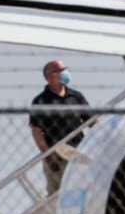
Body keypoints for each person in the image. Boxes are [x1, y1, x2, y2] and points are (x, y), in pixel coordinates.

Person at [29, 60, 91, 195]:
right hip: (55, 152)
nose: (64, 73)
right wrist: (47, 154)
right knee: (56, 193)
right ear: (48, 77)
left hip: (78, 150)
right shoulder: (40, 101)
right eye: (59, 70)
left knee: (82, 188)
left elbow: (91, 121)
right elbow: (36, 131)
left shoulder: (76, 96)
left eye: (65, 69)